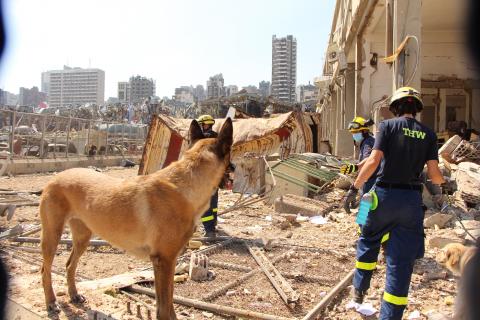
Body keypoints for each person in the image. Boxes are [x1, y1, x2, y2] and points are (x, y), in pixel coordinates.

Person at [344, 87, 445, 319]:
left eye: (355, 130)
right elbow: (434, 174)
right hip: (410, 201)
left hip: (381, 195)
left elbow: (372, 162)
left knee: (368, 239)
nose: (355, 134)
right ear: (416, 109)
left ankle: (359, 290)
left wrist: (352, 189)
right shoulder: (429, 134)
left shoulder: (386, 127)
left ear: (395, 107)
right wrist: (444, 185)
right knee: (401, 264)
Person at [342, 117, 376, 213]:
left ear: (364, 131)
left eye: (356, 132)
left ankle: (363, 226)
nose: (354, 135)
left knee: (365, 215)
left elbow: (369, 159)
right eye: (352, 133)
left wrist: (355, 167)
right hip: (371, 181)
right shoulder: (369, 141)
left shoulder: (367, 142)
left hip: (371, 181)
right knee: (368, 210)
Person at [196, 114, 219, 237]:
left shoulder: (203, 139)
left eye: (200, 125)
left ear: (205, 124)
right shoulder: (218, 137)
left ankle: (209, 231)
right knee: (213, 202)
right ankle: (213, 224)